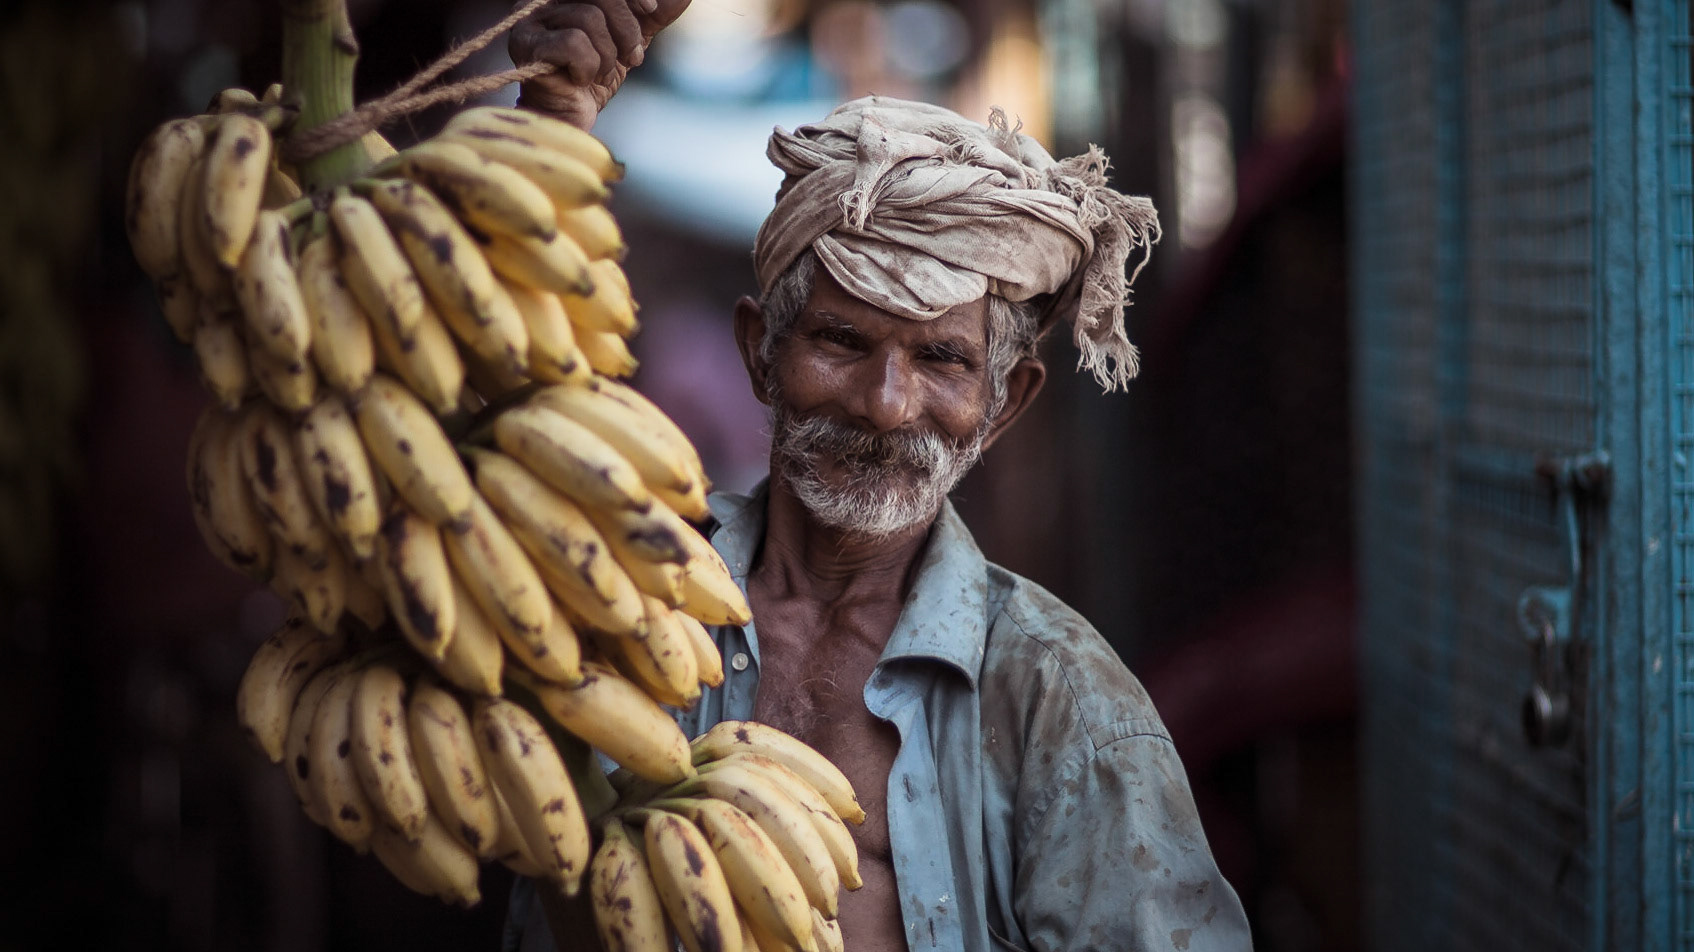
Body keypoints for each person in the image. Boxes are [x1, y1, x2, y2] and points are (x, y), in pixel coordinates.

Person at [504, 4, 1254, 949]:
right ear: (759, 352)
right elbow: (473, 456)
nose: (886, 404)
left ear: (1005, 403)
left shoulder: (1059, 700)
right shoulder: (627, 595)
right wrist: (551, 127)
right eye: (841, 340)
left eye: (941, 359)